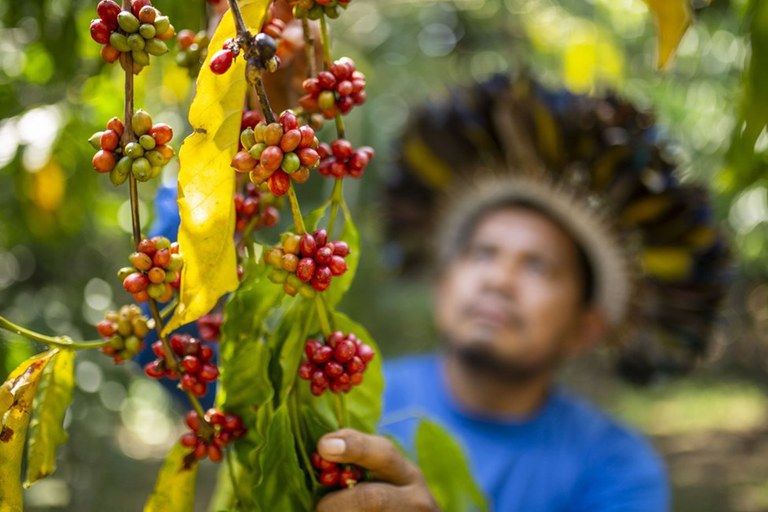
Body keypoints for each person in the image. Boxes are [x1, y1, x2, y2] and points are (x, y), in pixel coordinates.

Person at [311, 75, 729, 511]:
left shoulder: (617, 468)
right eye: (483, 253)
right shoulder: (345, 397)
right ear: (443, 284)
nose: (499, 280)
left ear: (585, 327)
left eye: (537, 266)